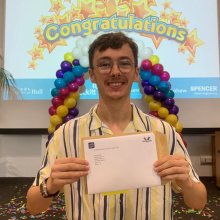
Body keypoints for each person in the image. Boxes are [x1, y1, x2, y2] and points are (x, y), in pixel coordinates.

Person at [26, 32, 207, 220]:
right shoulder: (65, 135)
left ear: (136, 73)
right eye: (104, 64)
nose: (115, 71)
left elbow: (198, 202)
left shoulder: (164, 132)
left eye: (124, 63)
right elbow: (33, 207)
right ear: (92, 75)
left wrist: (186, 182)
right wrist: (51, 185)